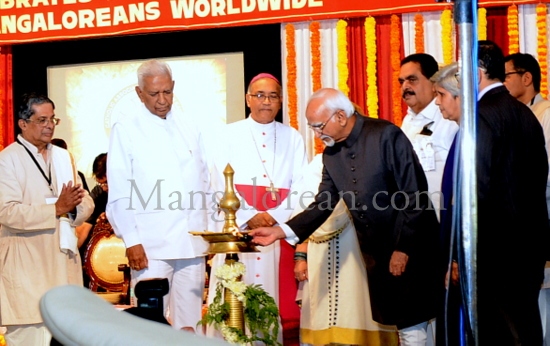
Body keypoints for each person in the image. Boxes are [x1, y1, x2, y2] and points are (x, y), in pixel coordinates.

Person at [250, 88, 441, 346]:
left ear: (340, 116)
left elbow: (415, 194)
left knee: (414, 326)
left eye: (319, 126)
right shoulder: (331, 154)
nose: (317, 134)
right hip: (377, 253)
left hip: (410, 243)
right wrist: (281, 231)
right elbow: (323, 203)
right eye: (312, 127)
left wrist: (403, 248)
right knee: (404, 324)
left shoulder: (385, 135)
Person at [441, 41, 549, 345]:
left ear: (476, 74)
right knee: (526, 328)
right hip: (528, 245)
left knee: (497, 333)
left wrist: (462, 253)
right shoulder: (525, 113)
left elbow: (477, 191)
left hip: (493, 251)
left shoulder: (481, 116)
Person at [106, 59, 211, 332]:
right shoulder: (126, 128)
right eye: (154, 94)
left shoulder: (190, 125)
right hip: (150, 245)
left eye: (167, 92)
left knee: (192, 323)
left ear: (173, 87)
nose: (162, 100)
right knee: (150, 324)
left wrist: (210, 231)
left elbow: (205, 180)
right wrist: (131, 240)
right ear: (140, 93)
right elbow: (119, 190)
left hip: (192, 242)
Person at [207, 73, 307, 344]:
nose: (266, 102)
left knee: (276, 303)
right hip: (239, 231)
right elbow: (218, 179)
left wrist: (276, 217)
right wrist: (248, 215)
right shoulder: (227, 134)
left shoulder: (293, 137)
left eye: (273, 96)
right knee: (235, 303)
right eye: (260, 95)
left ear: (281, 100)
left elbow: (302, 185)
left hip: (277, 233)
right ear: (248, 99)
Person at [0, 93, 94, 345]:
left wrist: (71, 210)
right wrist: (56, 209)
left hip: (63, 265)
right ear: (23, 123)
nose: (49, 125)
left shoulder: (64, 157)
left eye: (53, 119)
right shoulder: (7, 160)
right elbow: (7, 213)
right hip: (27, 270)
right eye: (42, 120)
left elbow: (84, 201)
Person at [293, 150, 399, 346]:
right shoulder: (318, 163)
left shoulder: (373, 159)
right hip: (322, 252)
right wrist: (300, 256)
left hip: (360, 248)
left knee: (359, 309)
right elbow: (305, 211)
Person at [503, 52, 550, 345]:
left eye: (505, 76)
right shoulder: (513, 114)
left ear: (527, 78)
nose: (502, 83)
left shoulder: (546, 115)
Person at [399, 53, 459, 219]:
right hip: (415, 219)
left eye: (412, 79)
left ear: (433, 83)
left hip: (446, 218)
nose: (405, 86)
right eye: (401, 82)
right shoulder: (408, 121)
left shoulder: (449, 118)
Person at [75, 153, 108, 288]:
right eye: (101, 183)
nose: (105, 187)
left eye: (106, 182)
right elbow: (84, 228)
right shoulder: (99, 193)